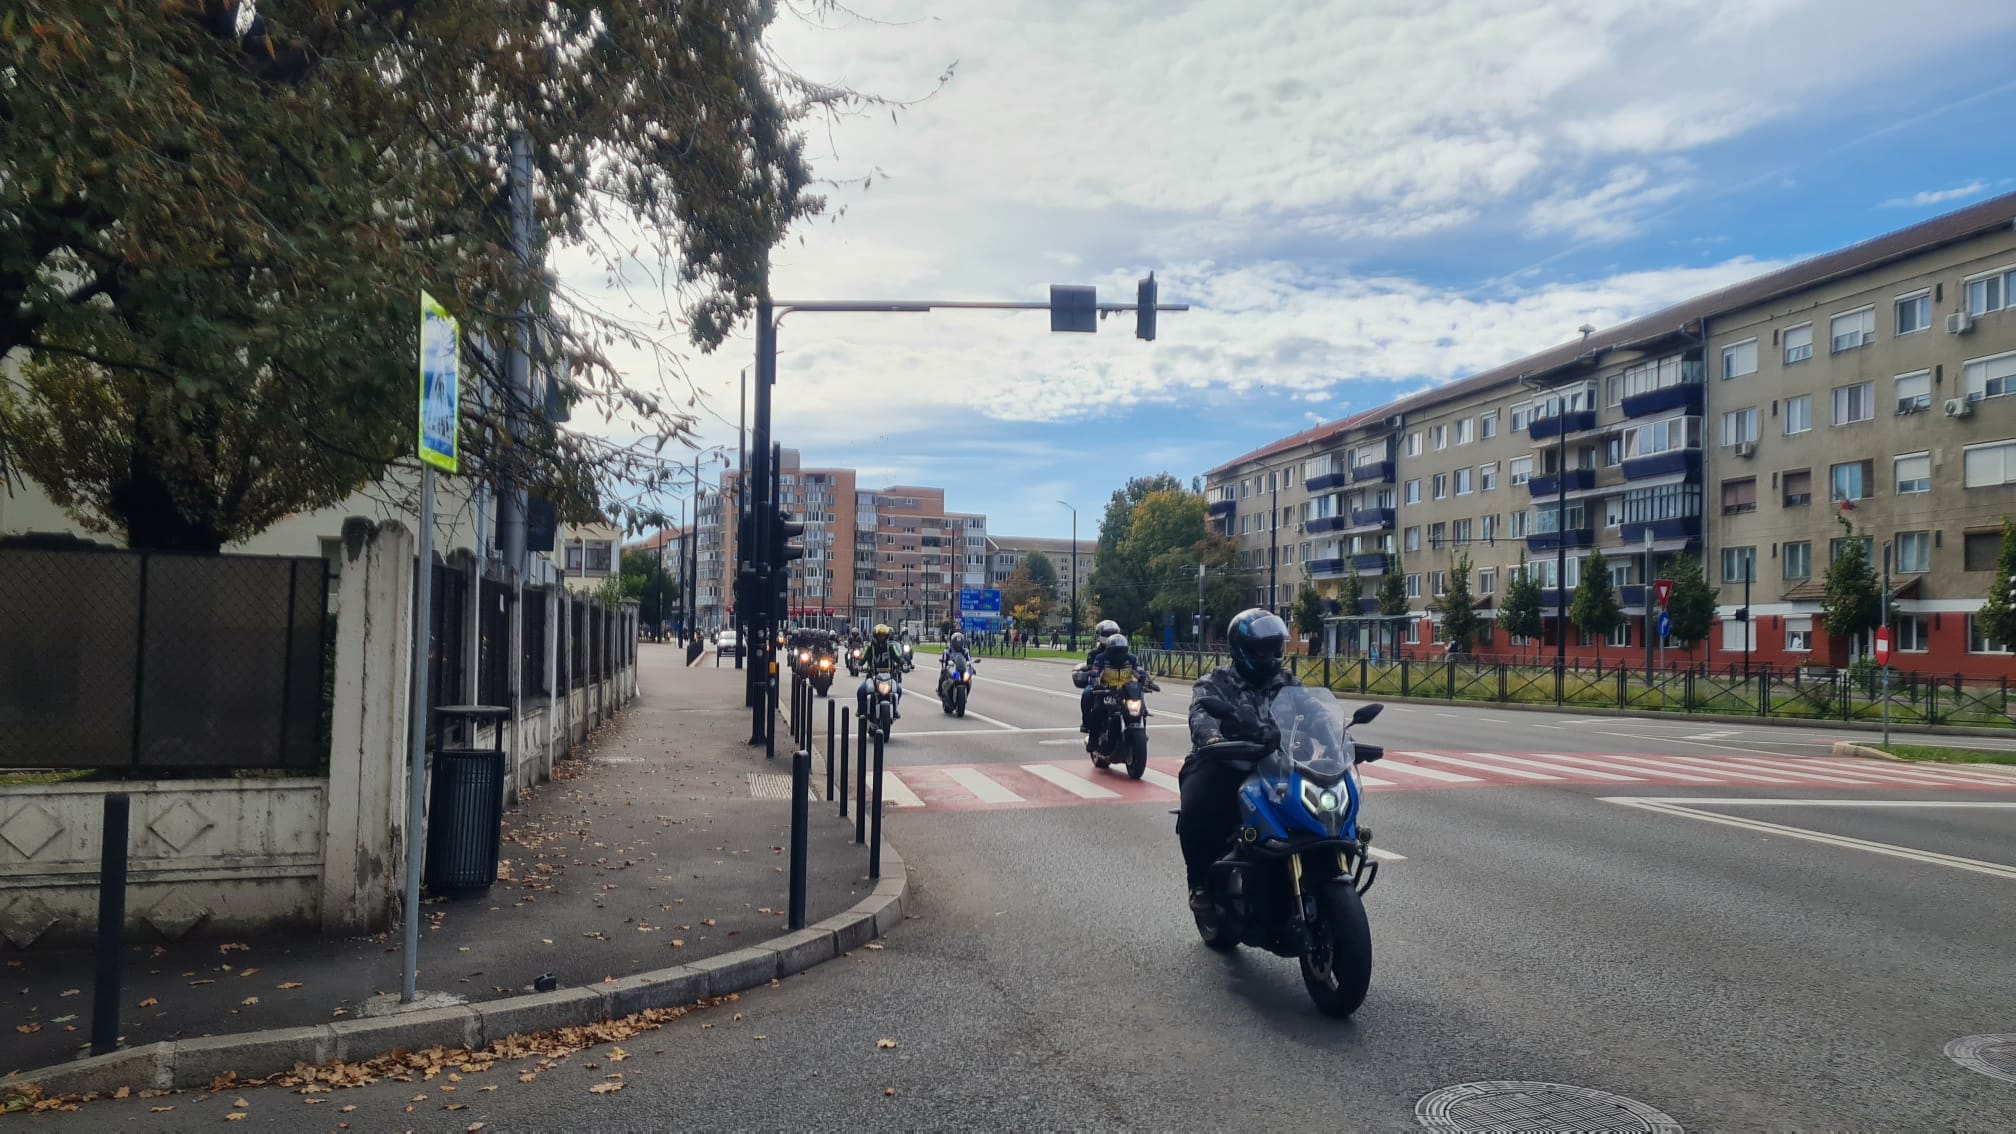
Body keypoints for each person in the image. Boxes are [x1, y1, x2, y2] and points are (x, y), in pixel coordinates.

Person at [1179, 608, 1296, 912]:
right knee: (1196, 806)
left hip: (1278, 767)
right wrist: (1213, 740)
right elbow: (1201, 715)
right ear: (1242, 650)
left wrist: (1339, 739)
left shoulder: (1288, 683)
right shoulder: (1215, 683)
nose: (1271, 655)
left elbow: (1315, 716)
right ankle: (1199, 882)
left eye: (1275, 647)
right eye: (1262, 649)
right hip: (1227, 763)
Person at [1079, 632, 1154, 739]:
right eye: (1116, 651)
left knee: (1141, 711)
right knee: (1097, 710)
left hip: (1127, 692)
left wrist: (1148, 682)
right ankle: (1093, 740)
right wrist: (1096, 684)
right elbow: (1096, 672)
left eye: (1121, 651)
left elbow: (1139, 671)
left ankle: (1141, 732)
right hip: (1107, 692)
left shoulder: (1131, 659)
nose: (1119, 654)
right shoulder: (1101, 658)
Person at [856, 623, 912, 719]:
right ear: (875, 636)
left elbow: (899, 657)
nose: (881, 638)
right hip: (872, 676)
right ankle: (861, 711)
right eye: (879, 635)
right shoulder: (869, 647)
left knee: (898, 690)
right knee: (861, 691)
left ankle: (895, 710)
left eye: (883, 636)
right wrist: (859, 665)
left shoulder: (891, 647)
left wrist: (904, 664)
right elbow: (862, 657)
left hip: (888, 676)